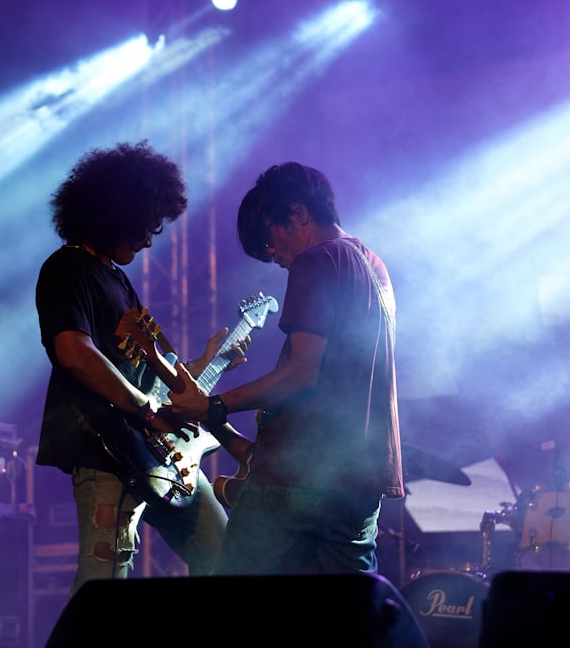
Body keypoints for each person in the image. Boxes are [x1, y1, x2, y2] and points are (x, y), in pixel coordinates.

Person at [169, 161, 404, 575]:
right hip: (360, 479)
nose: (272, 256)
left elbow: (300, 375)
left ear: (298, 214)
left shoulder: (317, 259)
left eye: (269, 241)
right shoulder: (373, 265)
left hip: (299, 476)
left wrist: (213, 407)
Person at [35, 140, 244, 594]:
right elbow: (74, 351)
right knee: (106, 576)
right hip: (104, 447)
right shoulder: (65, 268)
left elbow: (152, 372)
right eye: (147, 224)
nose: (153, 236)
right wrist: (147, 409)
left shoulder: (119, 280)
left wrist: (211, 361)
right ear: (116, 214)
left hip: (158, 452)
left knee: (223, 553)